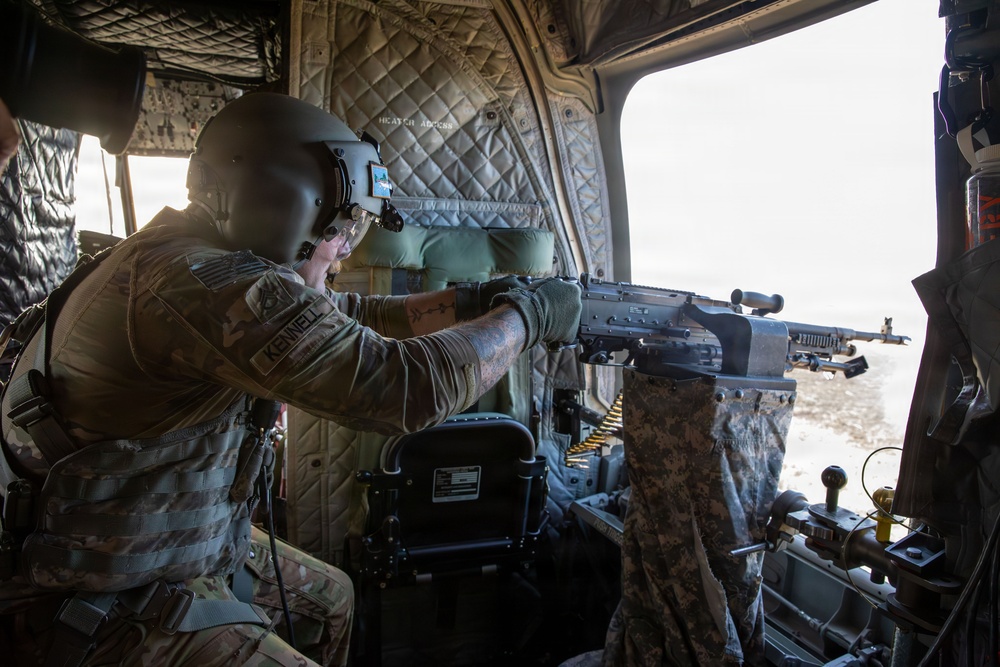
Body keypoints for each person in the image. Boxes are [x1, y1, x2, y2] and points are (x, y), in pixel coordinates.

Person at [0, 92, 582, 666]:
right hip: (86, 601)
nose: (343, 250)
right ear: (281, 206)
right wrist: (529, 318)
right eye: (340, 226)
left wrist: (475, 300)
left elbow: (341, 318)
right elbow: (404, 388)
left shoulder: (183, 256)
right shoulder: (202, 283)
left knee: (330, 599)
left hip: (144, 549)